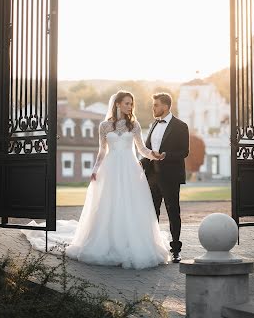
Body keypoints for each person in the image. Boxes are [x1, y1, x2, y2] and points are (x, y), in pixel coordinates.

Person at [23, 91, 169, 270]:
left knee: (131, 205)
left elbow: (142, 149)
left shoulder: (134, 125)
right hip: (111, 168)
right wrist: (95, 169)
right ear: (117, 104)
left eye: (131, 104)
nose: (130, 107)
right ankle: (107, 242)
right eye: (126, 103)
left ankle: (131, 242)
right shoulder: (104, 126)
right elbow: (102, 151)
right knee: (108, 204)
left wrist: (154, 155)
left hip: (131, 170)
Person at [141, 92, 189, 263]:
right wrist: (140, 163)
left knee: (173, 212)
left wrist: (166, 155)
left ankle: (176, 250)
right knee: (152, 212)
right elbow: (147, 149)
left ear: (166, 106)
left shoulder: (180, 126)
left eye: (156, 105)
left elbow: (184, 152)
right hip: (152, 176)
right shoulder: (153, 124)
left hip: (170, 176)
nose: (153, 108)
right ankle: (151, 247)